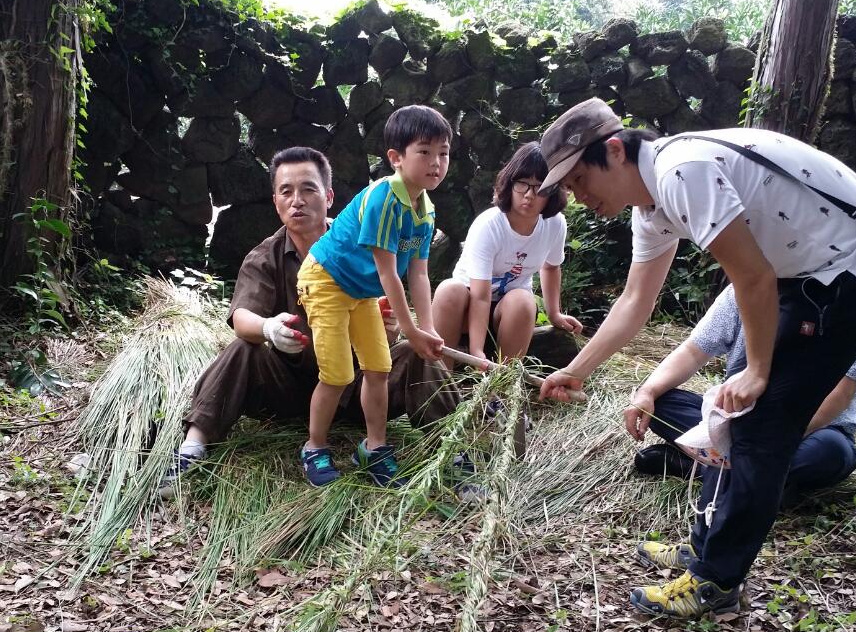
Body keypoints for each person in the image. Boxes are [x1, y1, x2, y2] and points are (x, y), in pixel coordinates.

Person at [535, 99, 856, 618]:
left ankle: (717, 582)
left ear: (614, 151)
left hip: (854, 277)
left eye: (577, 181)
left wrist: (758, 371)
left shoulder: (680, 171)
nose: (577, 198)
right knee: (731, 415)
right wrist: (577, 370)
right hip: (805, 279)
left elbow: (751, 276)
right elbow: (634, 302)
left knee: (759, 426)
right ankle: (705, 547)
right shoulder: (652, 207)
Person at [174, 146, 457, 487]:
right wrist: (268, 328)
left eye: (308, 189)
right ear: (275, 201)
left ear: (329, 196)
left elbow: (390, 294)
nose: (298, 200)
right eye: (286, 192)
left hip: (356, 388)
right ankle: (193, 446)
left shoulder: (364, 236)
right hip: (289, 386)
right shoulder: (264, 257)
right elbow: (240, 319)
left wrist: (395, 327)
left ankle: (452, 446)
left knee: (413, 353)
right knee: (241, 349)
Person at [629, 284, 856, 518]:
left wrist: (767, 439)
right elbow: (694, 351)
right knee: (661, 405)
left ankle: (699, 467)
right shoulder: (744, 286)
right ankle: (744, 475)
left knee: (828, 453)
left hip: (810, 430)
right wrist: (648, 391)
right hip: (735, 419)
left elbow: (841, 394)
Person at [295, 105, 449, 487]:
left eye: (444, 153)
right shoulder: (383, 198)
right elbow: (387, 272)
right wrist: (411, 331)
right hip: (327, 279)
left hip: (360, 291)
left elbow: (418, 272)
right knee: (338, 372)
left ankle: (374, 447)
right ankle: (314, 447)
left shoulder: (425, 210)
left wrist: (426, 329)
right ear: (396, 158)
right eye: (425, 151)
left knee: (379, 367)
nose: (436, 162)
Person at [432, 142, 583, 366]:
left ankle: (502, 386)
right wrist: (476, 351)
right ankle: (439, 378)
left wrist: (555, 315)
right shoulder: (490, 225)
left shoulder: (554, 224)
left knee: (524, 300)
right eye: (522, 184)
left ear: (552, 191)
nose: (530, 195)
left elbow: (551, 267)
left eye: (540, 187)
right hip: (467, 305)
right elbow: (480, 296)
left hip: (508, 313)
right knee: (449, 290)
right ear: (510, 184)